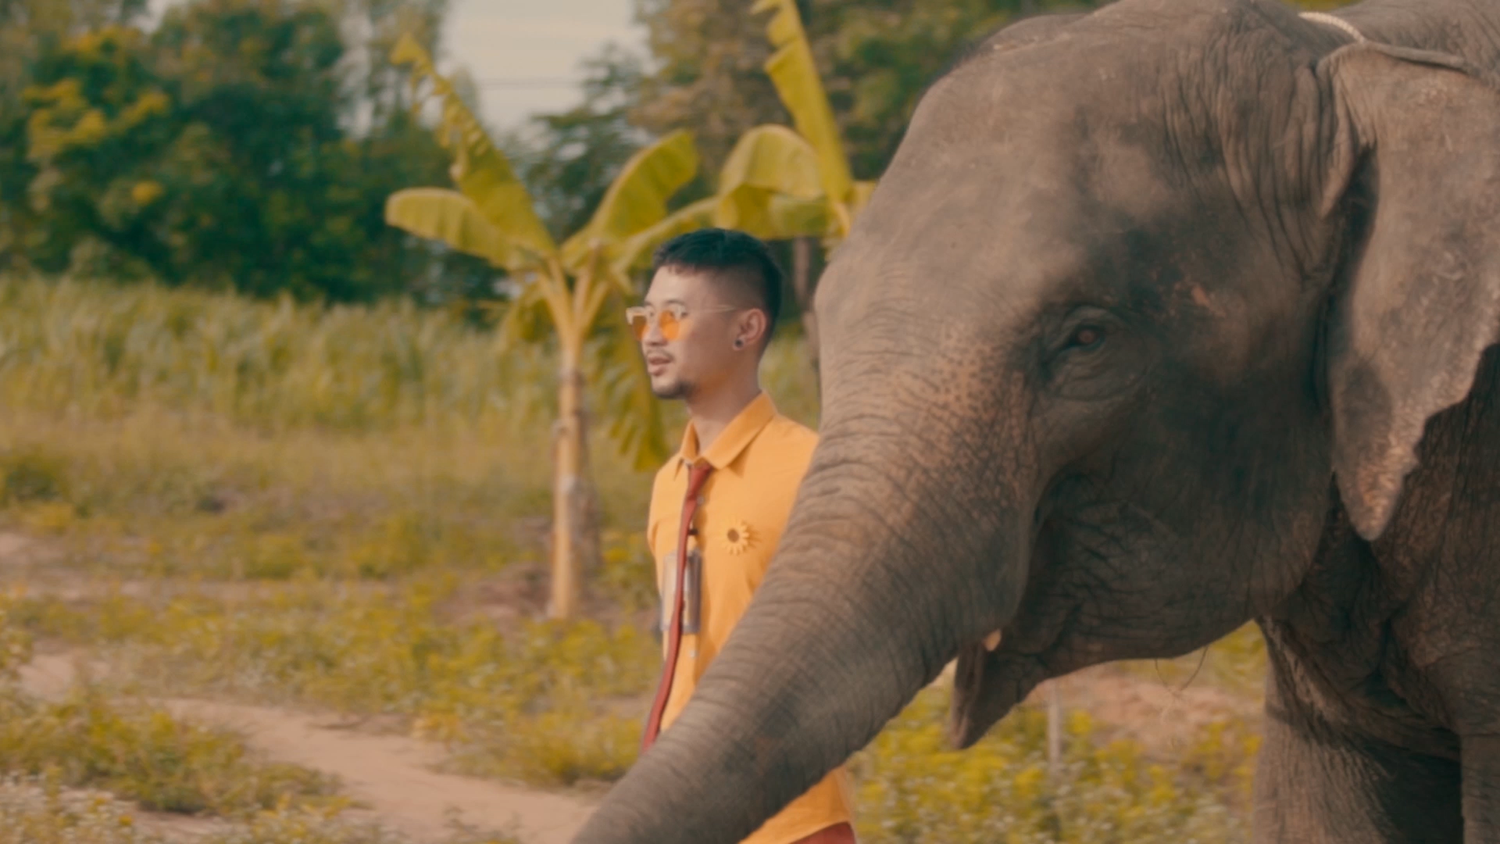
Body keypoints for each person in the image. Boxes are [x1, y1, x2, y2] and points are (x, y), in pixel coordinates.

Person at [630, 228, 857, 844]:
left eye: (674, 316)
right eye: (646, 316)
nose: (652, 334)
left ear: (746, 329)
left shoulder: (816, 471)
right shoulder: (669, 484)